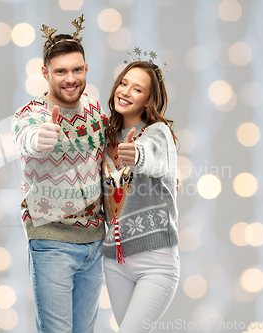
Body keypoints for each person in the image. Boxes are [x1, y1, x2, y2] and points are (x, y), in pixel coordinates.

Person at [10, 14, 108, 333]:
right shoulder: (32, 114)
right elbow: (25, 136)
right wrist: (39, 139)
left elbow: (112, 155)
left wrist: (157, 171)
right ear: (45, 73)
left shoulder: (95, 109)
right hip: (51, 242)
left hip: (95, 242)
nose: (70, 79)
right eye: (61, 71)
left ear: (86, 69)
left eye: (76, 69)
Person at [101, 57, 180, 332]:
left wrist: (135, 154)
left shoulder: (158, 134)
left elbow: (152, 156)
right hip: (114, 260)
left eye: (137, 89)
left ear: (148, 100)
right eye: (123, 83)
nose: (125, 91)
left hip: (155, 260)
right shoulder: (106, 138)